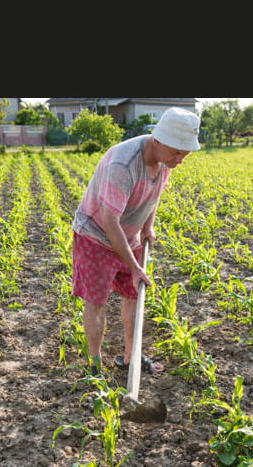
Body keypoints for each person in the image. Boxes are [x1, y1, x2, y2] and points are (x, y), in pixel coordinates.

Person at [72, 106, 200, 376]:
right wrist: (133, 265)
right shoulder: (124, 164)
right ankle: (94, 364)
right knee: (97, 301)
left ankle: (131, 356)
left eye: (184, 154)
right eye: (176, 152)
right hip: (95, 235)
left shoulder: (165, 160)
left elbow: (154, 194)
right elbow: (110, 223)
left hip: (129, 235)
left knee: (134, 295)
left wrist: (148, 226)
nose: (180, 159)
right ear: (158, 140)